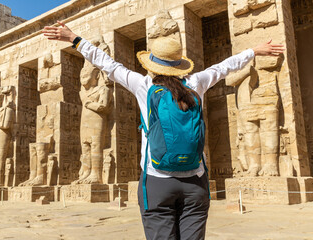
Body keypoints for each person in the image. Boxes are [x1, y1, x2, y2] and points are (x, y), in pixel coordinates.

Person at [42, 20, 284, 240]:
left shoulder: (144, 86)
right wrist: (254, 51)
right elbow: (223, 68)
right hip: (195, 181)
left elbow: (108, 64)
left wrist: (74, 38)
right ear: (179, 66)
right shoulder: (196, 83)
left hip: (157, 181)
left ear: (153, 65)